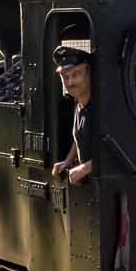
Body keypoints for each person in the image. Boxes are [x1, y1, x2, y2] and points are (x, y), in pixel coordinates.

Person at [53, 38, 95, 187]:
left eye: (76, 75)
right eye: (65, 77)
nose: (70, 82)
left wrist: (84, 169)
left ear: (88, 73)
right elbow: (80, 137)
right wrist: (68, 161)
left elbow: (115, 154)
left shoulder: (101, 109)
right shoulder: (78, 104)